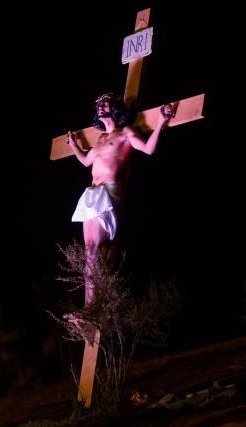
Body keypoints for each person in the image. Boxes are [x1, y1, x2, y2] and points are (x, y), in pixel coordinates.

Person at [66, 92, 173, 304]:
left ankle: (93, 306)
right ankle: (89, 304)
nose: (100, 107)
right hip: (91, 192)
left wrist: (161, 121)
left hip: (109, 191)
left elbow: (148, 149)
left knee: (93, 249)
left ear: (114, 108)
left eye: (104, 103)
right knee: (88, 251)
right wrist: (73, 145)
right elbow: (87, 161)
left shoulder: (125, 133)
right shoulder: (100, 139)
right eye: (98, 104)